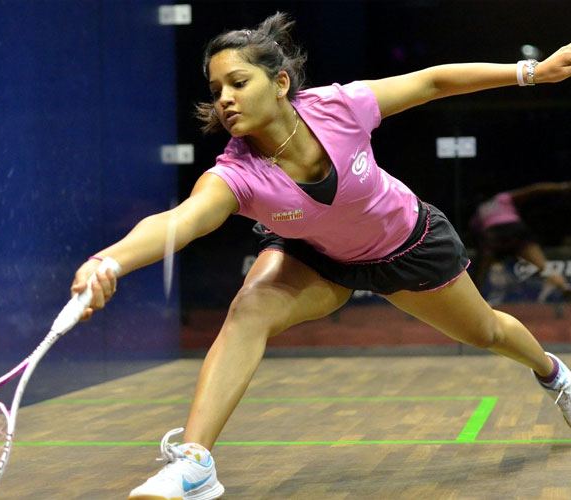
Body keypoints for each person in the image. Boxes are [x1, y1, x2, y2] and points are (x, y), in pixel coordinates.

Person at [71, 13, 571, 500]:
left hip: (407, 245)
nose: (224, 98)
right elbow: (181, 221)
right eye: (216, 89)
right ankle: (195, 461)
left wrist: (533, 72)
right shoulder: (237, 173)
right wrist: (107, 262)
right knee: (248, 310)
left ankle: (554, 375)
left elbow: (432, 82)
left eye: (238, 83)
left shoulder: (340, 108)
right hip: (317, 257)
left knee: (485, 332)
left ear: (280, 83)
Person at [469, 182, 571, 301]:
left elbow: (474, 234)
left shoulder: (479, 212)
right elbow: (534, 189)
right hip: (516, 230)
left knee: (480, 271)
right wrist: (562, 187)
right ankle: (564, 286)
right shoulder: (501, 198)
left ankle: (473, 297)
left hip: (493, 236)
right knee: (542, 266)